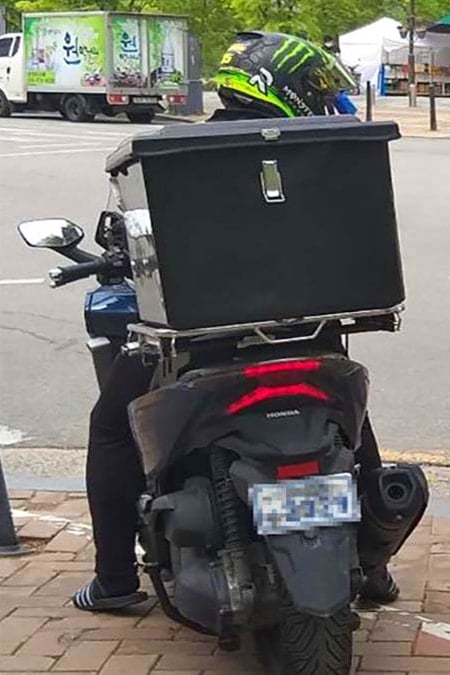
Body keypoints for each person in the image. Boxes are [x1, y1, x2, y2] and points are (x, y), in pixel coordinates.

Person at [73, 31, 401, 613]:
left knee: (110, 427)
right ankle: (373, 566)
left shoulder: (174, 154)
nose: (325, 102)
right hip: (309, 334)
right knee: (352, 420)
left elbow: (124, 240)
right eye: (316, 89)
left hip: (202, 346)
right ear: (284, 89)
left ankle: (116, 581)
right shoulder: (328, 153)